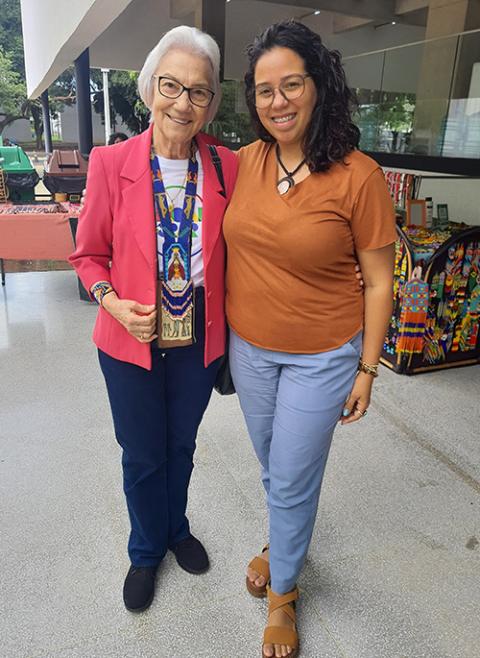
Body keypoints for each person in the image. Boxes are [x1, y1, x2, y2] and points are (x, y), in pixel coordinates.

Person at [223, 21, 396, 658]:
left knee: (292, 477)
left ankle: (285, 595)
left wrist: (367, 369)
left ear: (318, 86)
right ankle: (282, 541)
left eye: (290, 84)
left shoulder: (359, 175)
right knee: (276, 466)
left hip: (323, 355)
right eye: (265, 90)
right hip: (250, 348)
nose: (278, 101)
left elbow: (380, 282)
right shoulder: (246, 162)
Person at [69, 26, 237, 613]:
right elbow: (87, 255)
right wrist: (112, 301)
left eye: (198, 91)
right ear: (149, 89)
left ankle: (175, 528)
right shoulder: (111, 163)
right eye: (172, 85)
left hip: (196, 339)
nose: (182, 103)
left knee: (182, 445)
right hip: (128, 339)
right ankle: (145, 550)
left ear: (210, 102)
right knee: (143, 452)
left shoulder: (224, 167)